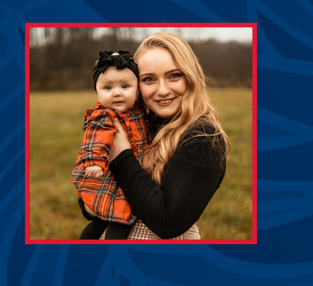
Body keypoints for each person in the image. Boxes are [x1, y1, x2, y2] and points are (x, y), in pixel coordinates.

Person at [79, 32, 230, 240]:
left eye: (174, 76)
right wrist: (93, 203)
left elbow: (168, 222)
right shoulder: (144, 123)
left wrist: (122, 156)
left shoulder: (202, 137)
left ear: (191, 76)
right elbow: (92, 199)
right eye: (149, 79)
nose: (162, 90)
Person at [72, 50, 150, 238]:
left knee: (110, 217)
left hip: (131, 173)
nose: (116, 93)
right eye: (107, 88)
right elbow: (94, 138)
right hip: (109, 178)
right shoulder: (103, 115)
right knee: (118, 218)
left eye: (125, 86)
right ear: (97, 91)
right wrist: (93, 161)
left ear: (137, 89)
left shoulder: (138, 111)